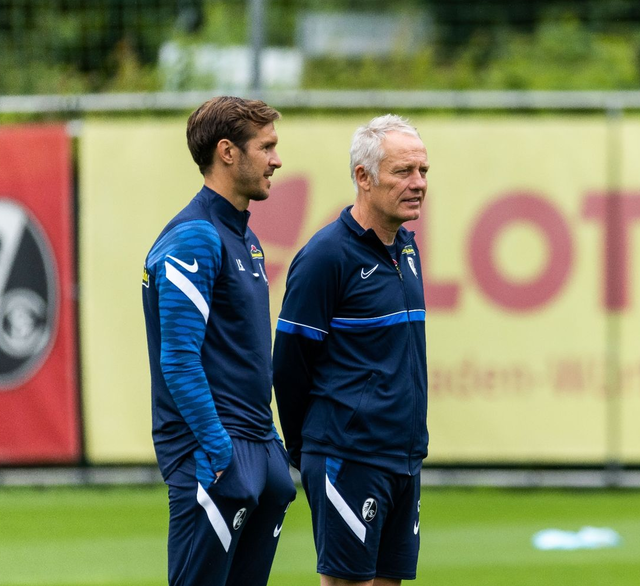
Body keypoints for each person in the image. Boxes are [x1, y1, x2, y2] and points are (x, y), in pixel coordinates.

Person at [141, 96, 297, 586]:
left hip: (255, 445)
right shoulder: (194, 238)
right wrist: (219, 451)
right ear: (227, 152)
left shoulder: (244, 238)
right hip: (211, 452)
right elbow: (180, 360)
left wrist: (270, 445)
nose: (276, 159)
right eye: (266, 147)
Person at [273, 114, 430, 585]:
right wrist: (310, 447)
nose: (418, 183)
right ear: (363, 177)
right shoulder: (326, 256)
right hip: (348, 452)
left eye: (423, 171)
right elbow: (290, 364)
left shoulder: (406, 248)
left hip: (402, 456)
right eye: (404, 171)